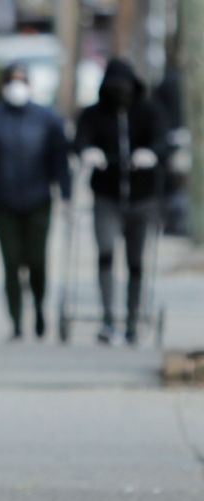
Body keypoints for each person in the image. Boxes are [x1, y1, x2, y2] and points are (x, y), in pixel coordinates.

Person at [73, 58, 167, 345]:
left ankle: (132, 319)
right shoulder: (93, 114)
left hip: (142, 198)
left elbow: (163, 141)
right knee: (106, 251)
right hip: (107, 196)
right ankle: (108, 318)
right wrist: (89, 152)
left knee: (136, 261)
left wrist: (151, 153)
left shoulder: (150, 111)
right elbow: (80, 140)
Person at [0, 63, 71, 340]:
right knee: (12, 262)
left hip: (38, 199)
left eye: (22, 80)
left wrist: (64, 192)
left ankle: (40, 308)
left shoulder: (46, 119)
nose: (16, 86)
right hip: (2, 202)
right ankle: (16, 320)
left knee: (37, 262)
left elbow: (59, 159)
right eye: (12, 81)